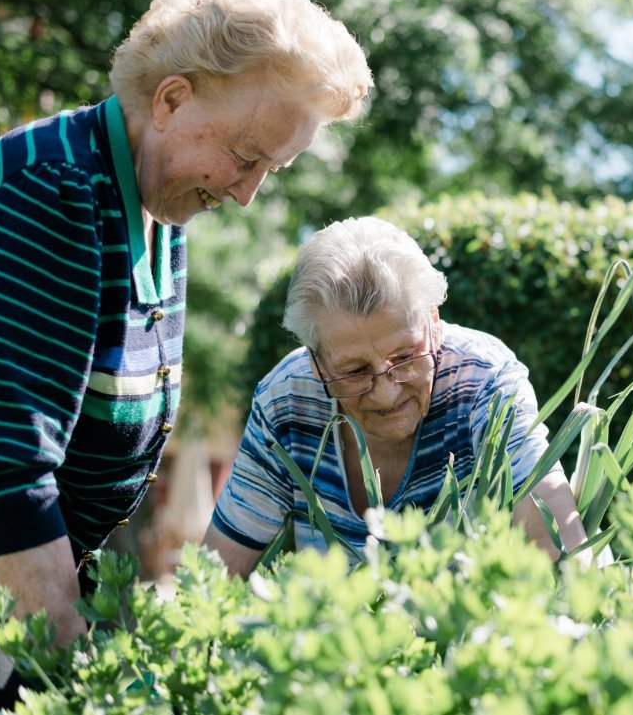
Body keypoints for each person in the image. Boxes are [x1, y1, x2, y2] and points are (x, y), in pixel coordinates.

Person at [0, 0, 372, 706]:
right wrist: (82, 685)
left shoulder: (160, 210)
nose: (246, 192)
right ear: (171, 99)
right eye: (245, 154)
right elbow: (5, 476)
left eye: (272, 170)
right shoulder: (55, 193)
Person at [204, 216, 589, 576]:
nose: (386, 393)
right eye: (354, 371)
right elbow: (217, 569)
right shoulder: (286, 399)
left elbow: (559, 544)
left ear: (433, 326)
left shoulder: (483, 381)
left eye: (405, 357)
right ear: (316, 362)